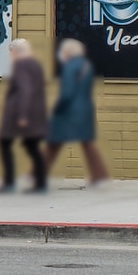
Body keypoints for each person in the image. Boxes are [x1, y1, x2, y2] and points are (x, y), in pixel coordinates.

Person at [45, 38, 110, 187]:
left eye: (63, 51)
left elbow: (67, 92)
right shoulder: (87, 66)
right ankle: (100, 176)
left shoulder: (70, 67)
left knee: (52, 145)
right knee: (88, 145)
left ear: (68, 52)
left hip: (69, 112)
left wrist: (57, 108)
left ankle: (37, 177)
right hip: (85, 110)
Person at [0, 39, 48, 194]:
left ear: (16, 51)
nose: (11, 56)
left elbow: (25, 90)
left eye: (11, 53)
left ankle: (9, 183)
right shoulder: (35, 64)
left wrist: (23, 115)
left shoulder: (21, 65)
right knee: (32, 147)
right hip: (35, 112)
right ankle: (41, 183)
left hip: (19, 114)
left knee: (5, 143)